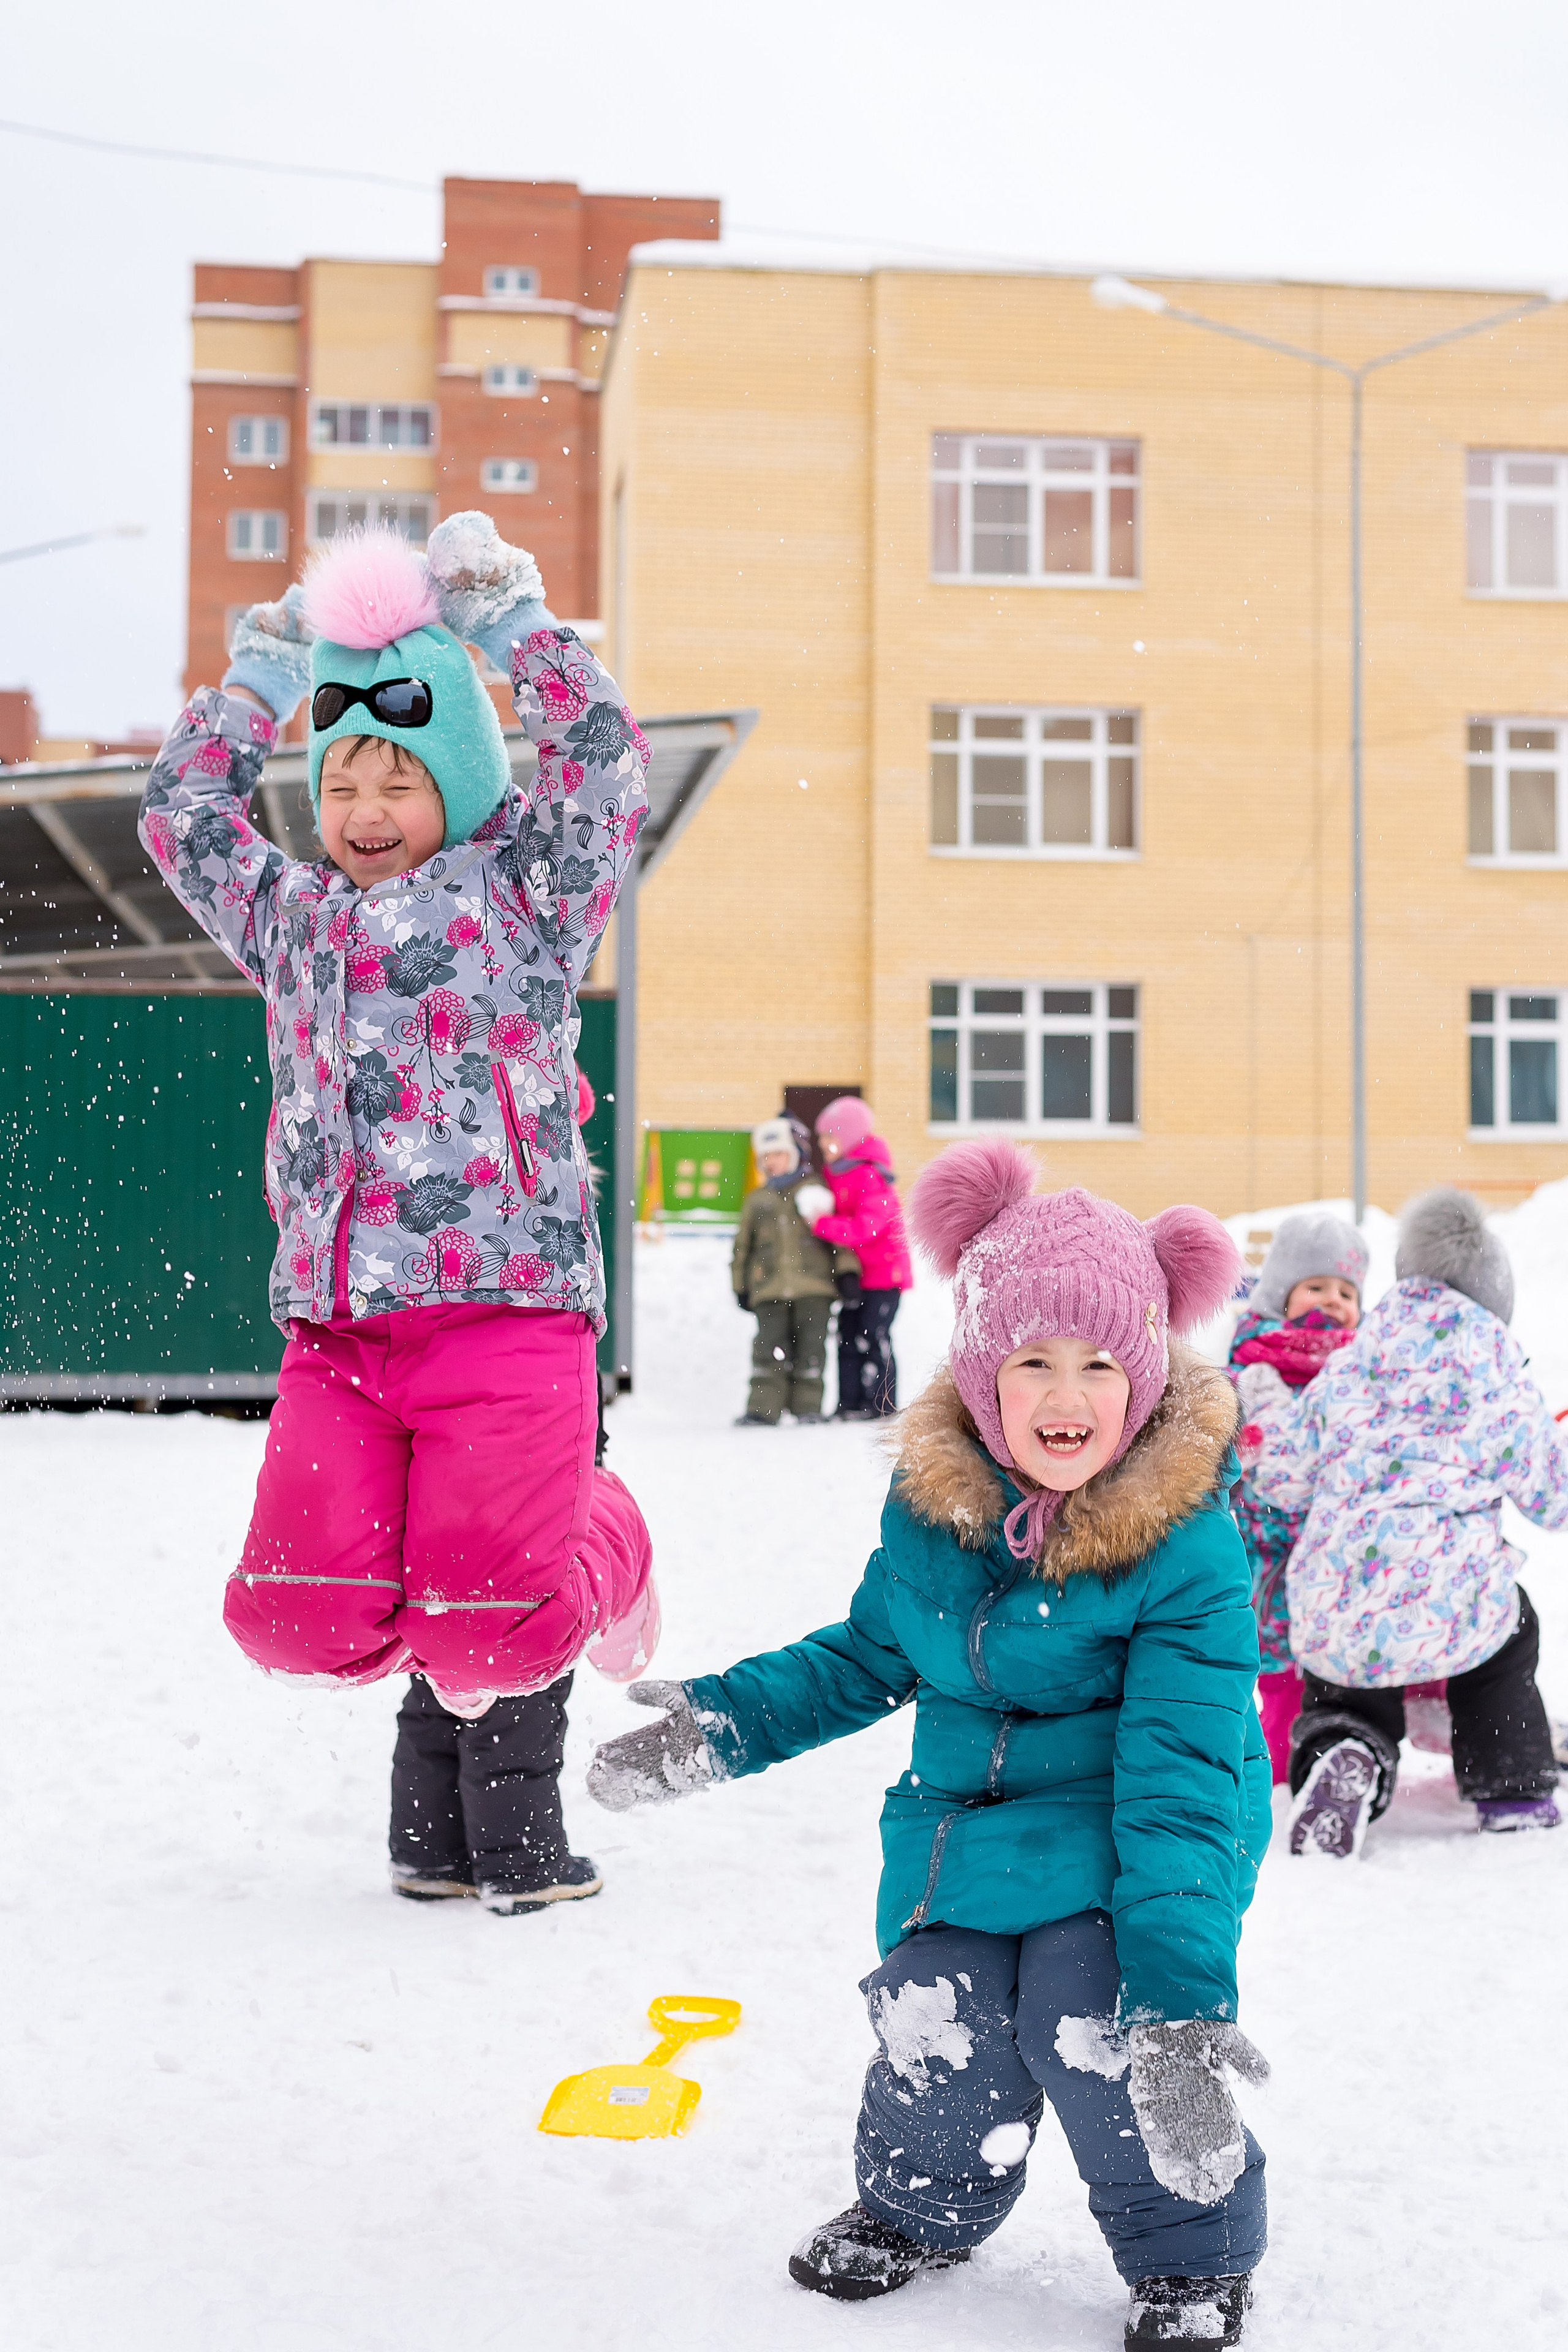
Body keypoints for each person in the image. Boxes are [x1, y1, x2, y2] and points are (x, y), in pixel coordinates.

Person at [590, 1142, 1272, 2349]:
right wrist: (722, 1725)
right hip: (963, 1831)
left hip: (1138, 1835)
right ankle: (917, 2210)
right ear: (979, 1374)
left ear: (1146, 1377)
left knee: (1088, 2012)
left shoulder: (1187, 1552)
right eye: (1032, 1363)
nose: (1066, 1399)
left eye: (1099, 1365)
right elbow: (865, 1656)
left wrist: (1179, 2003)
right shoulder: (937, 1511)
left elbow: (1180, 1784)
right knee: (933, 2004)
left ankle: (1189, 2255)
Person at [138, 519, 658, 1902]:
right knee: (287, 1616)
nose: (365, 804)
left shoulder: (526, 899)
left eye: (400, 776)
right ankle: (436, 1809)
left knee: (494, 1637)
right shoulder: (292, 918)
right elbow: (181, 817)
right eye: (344, 776)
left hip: (508, 1314)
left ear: (460, 787)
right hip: (341, 1329)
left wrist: (512, 634)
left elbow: (605, 763)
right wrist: (256, 682)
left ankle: (603, 1533)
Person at [1240, 1187, 1568, 1858]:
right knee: (1505, 1641)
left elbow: (1284, 1477)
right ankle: (1511, 1787)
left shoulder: (1353, 1361)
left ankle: (1347, 1752)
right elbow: (1552, 1500)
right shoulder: (1499, 1371)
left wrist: (1265, 1415)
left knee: (1347, 1685)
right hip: (1455, 1596)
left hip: (1335, 1593)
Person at [1226, 1213, 1366, 1782]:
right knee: (1273, 1670)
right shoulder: (1253, 1366)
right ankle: (1274, 1772)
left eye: (1346, 1291)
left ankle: (1330, 1756)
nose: (1331, 1301)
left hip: (1338, 1549)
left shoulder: (1366, 1368)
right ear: (1280, 1296)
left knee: (1331, 1666)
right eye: (1315, 1287)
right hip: (1266, 1548)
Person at [730, 1117, 855, 1424]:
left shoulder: (815, 1192)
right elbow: (742, 1247)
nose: (771, 1162)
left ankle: (807, 1408)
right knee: (768, 1351)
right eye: (766, 1157)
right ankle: (764, 1409)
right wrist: (740, 1285)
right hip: (770, 1288)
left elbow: (837, 1237)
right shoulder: (757, 1200)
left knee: (811, 1351)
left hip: (814, 1287)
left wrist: (847, 1271)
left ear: (796, 1154)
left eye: (778, 1154)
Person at [808, 1096, 913, 1419]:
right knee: (847, 1335)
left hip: (883, 1276)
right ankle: (849, 1402)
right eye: (821, 1137)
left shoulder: (869, 1175)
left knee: (873, 1336)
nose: (823, 1144)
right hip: (857, 1277)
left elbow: (868, 1226)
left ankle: (880, 1404)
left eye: (830, 1137)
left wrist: (822, 1224)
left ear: (848, 1137)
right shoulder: (836, 1174)